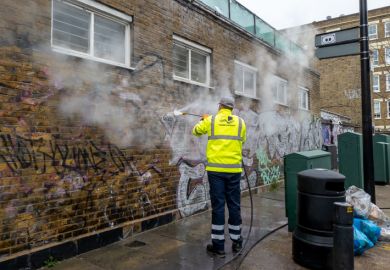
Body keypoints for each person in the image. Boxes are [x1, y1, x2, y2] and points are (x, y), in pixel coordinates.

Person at [192, 96, 247, 258]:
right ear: (231, 108)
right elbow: (241, 141)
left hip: (215, 171)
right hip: (234, 171)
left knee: (218, 207)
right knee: (234, 205)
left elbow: (195, 131)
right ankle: (237, 242)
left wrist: (204, 120)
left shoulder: (211, 120)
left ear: (220, 106)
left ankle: (219, 247)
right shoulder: (241, 123)